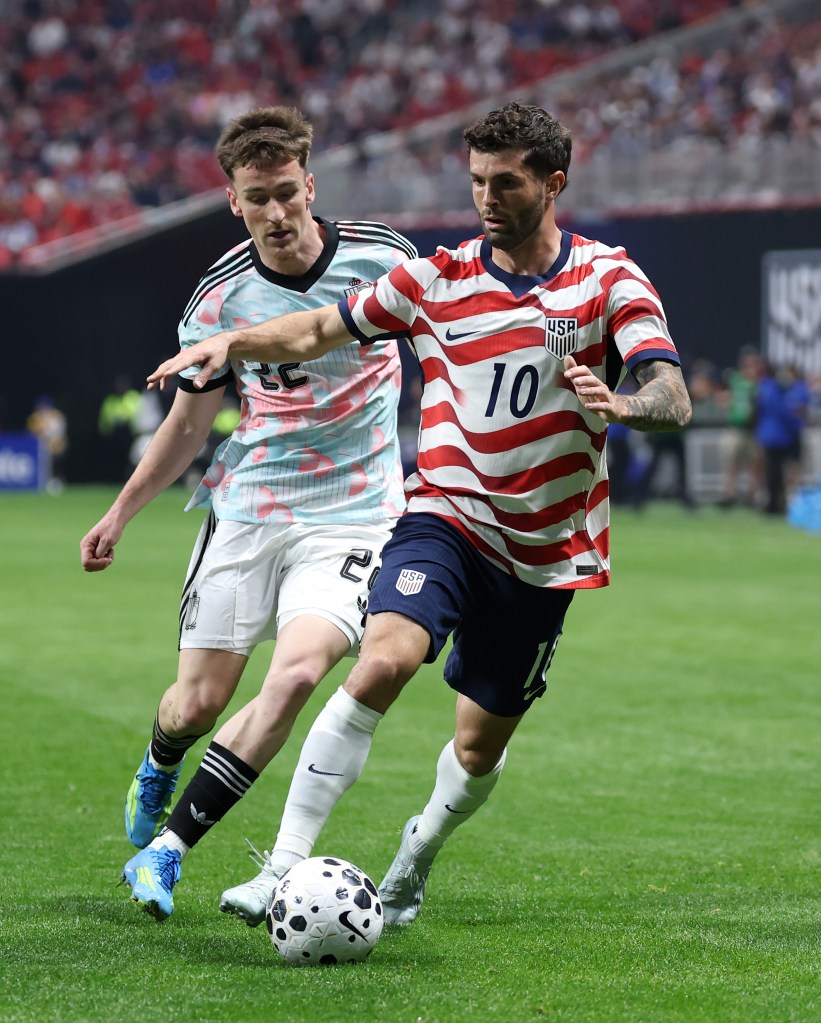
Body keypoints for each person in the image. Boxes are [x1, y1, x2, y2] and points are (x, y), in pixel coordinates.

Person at [144, 101, 692, 927]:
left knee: (476, 748)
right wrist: (232, 345)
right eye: (475, 181)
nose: (486, 198)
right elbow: (317, 330)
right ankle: (281, 868)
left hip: (544, 553)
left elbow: (672, 396)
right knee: (382, 660)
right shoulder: (435, 278)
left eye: (505, 182)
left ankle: (413, 858)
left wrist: (620, 401)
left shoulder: (608, 279)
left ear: (553, 183)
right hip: (442, 516)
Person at [79, 105, 416, 920]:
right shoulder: (218, 297)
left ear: (310, 184)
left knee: (298, 672)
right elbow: (189, 422)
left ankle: (169, 850)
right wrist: (120, 514)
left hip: (356, 510)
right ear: (233, 200)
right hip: (251, 503)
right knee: (195, 704)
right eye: (256, 198)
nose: (275, 212)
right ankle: (162, 758)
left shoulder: (385, 259)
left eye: (286, 194)